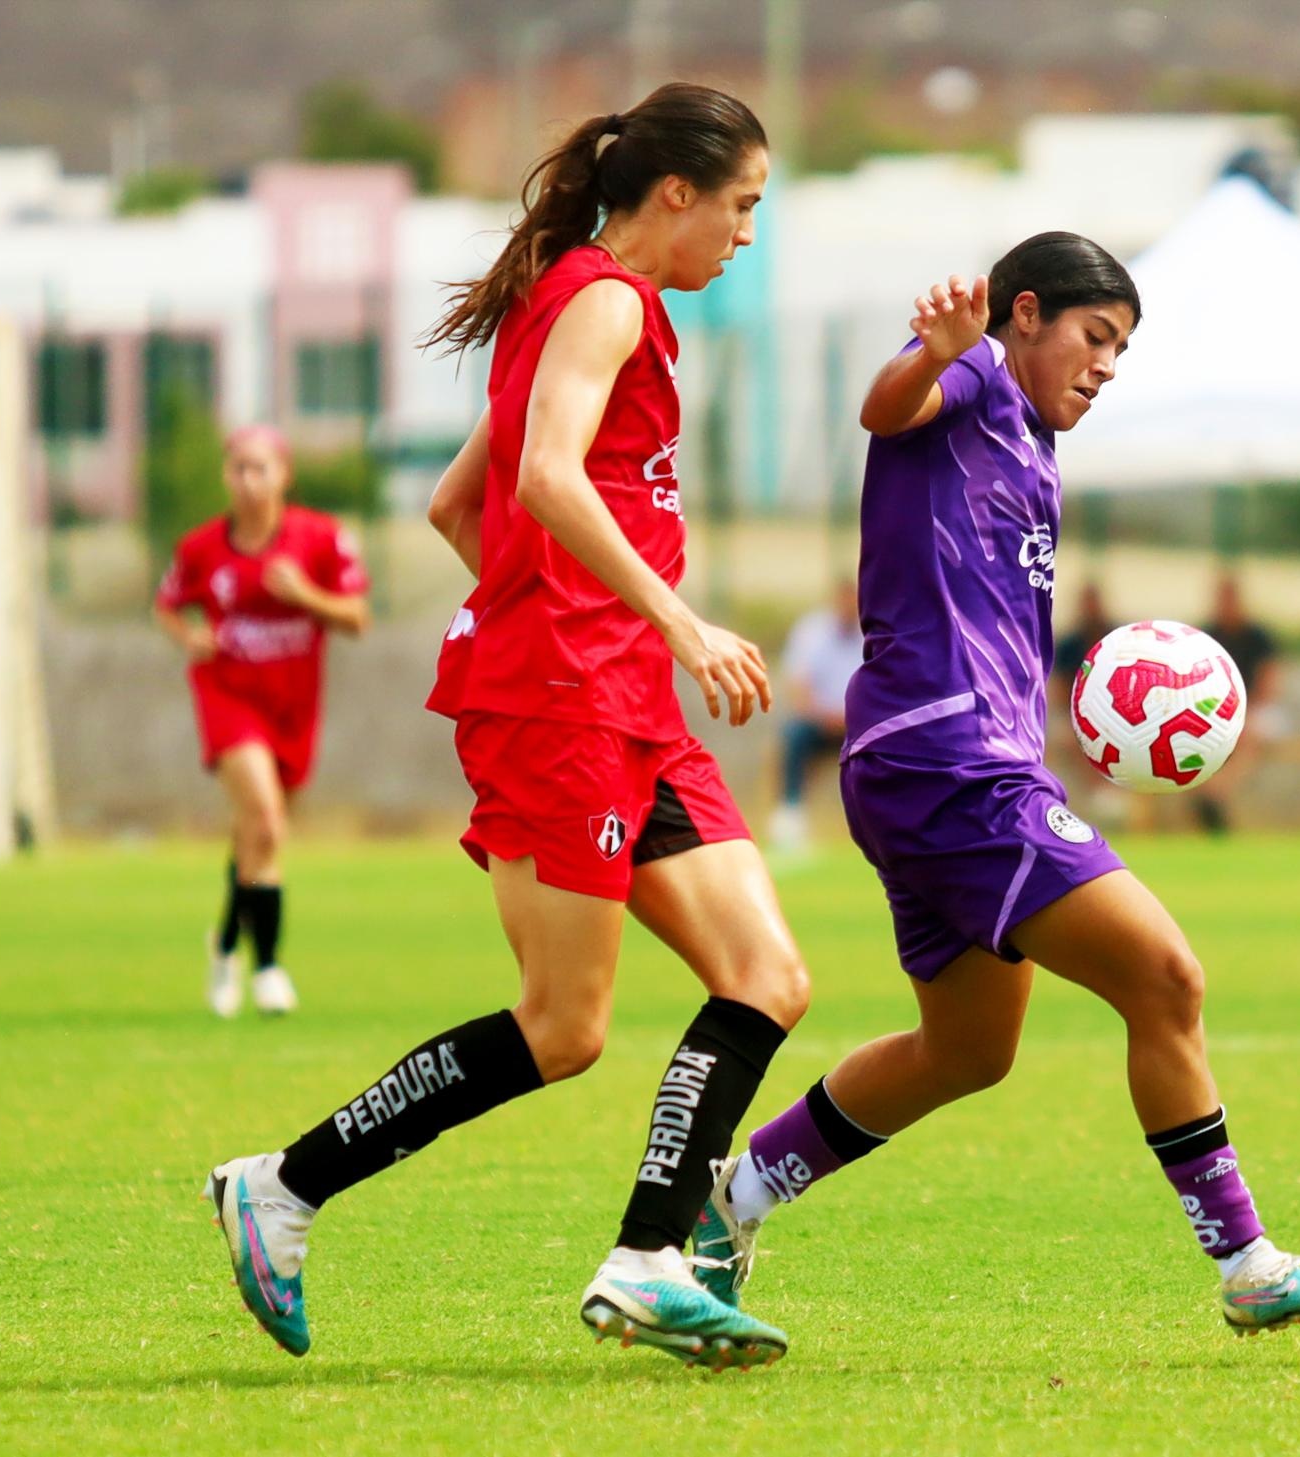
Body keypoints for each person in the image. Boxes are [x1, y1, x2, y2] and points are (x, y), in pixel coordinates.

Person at [203, 83, 811, 1373]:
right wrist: (669, 622)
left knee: (765, 979)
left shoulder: (573, 299)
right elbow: (537, 479)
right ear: (675, 195)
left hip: (608, 695)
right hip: (572, 704)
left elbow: (451, 504)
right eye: (743, 205)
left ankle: (646, 1259)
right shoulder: (604, 300)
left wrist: (551, 613)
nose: (747, 233)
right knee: (561, 1025)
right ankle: (283, 1185)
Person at [686, 235, 1300, 1336]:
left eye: (1121, 351)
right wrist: (934, 351)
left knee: (966, 1051)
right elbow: (885, 408)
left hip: (940, 761)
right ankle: (1244, 1259)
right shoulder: (974, 371)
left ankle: (731, 1198)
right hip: (947, 759)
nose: (1105, 365)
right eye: (1096, 337)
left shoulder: (1034, 444)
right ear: (1024, 313)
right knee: (1164, 978)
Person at [154, 425, 370, 1019]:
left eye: (260, 468)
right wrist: (188, 635)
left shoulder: (321, 539)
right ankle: (269, 969)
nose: (248, 481)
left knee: (255, 835)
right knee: (267, 822)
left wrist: (306, 596)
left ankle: (225, 945)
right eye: (237, 469)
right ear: (226, 475)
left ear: (284, 474)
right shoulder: (202, 548)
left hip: (293, 705)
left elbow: (356, 617)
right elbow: (167, 604)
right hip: (228, 697)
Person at [768, 580, 863, 850]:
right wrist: (825, 717)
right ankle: (790, 814)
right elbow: (798, 686)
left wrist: (854, 718)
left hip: (860, 726)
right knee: (794, 737)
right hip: (819, 723)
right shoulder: (811, 632)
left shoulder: (872, 633)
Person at [1195, 574, 1282, 835]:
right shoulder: (1207, 635)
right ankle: (1212, 795)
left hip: (1253, 710)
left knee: (1254, 730)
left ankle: (1216, 793)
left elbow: (1269, 686)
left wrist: (1240, 712)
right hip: (1215, 712)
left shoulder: (1258, 637)